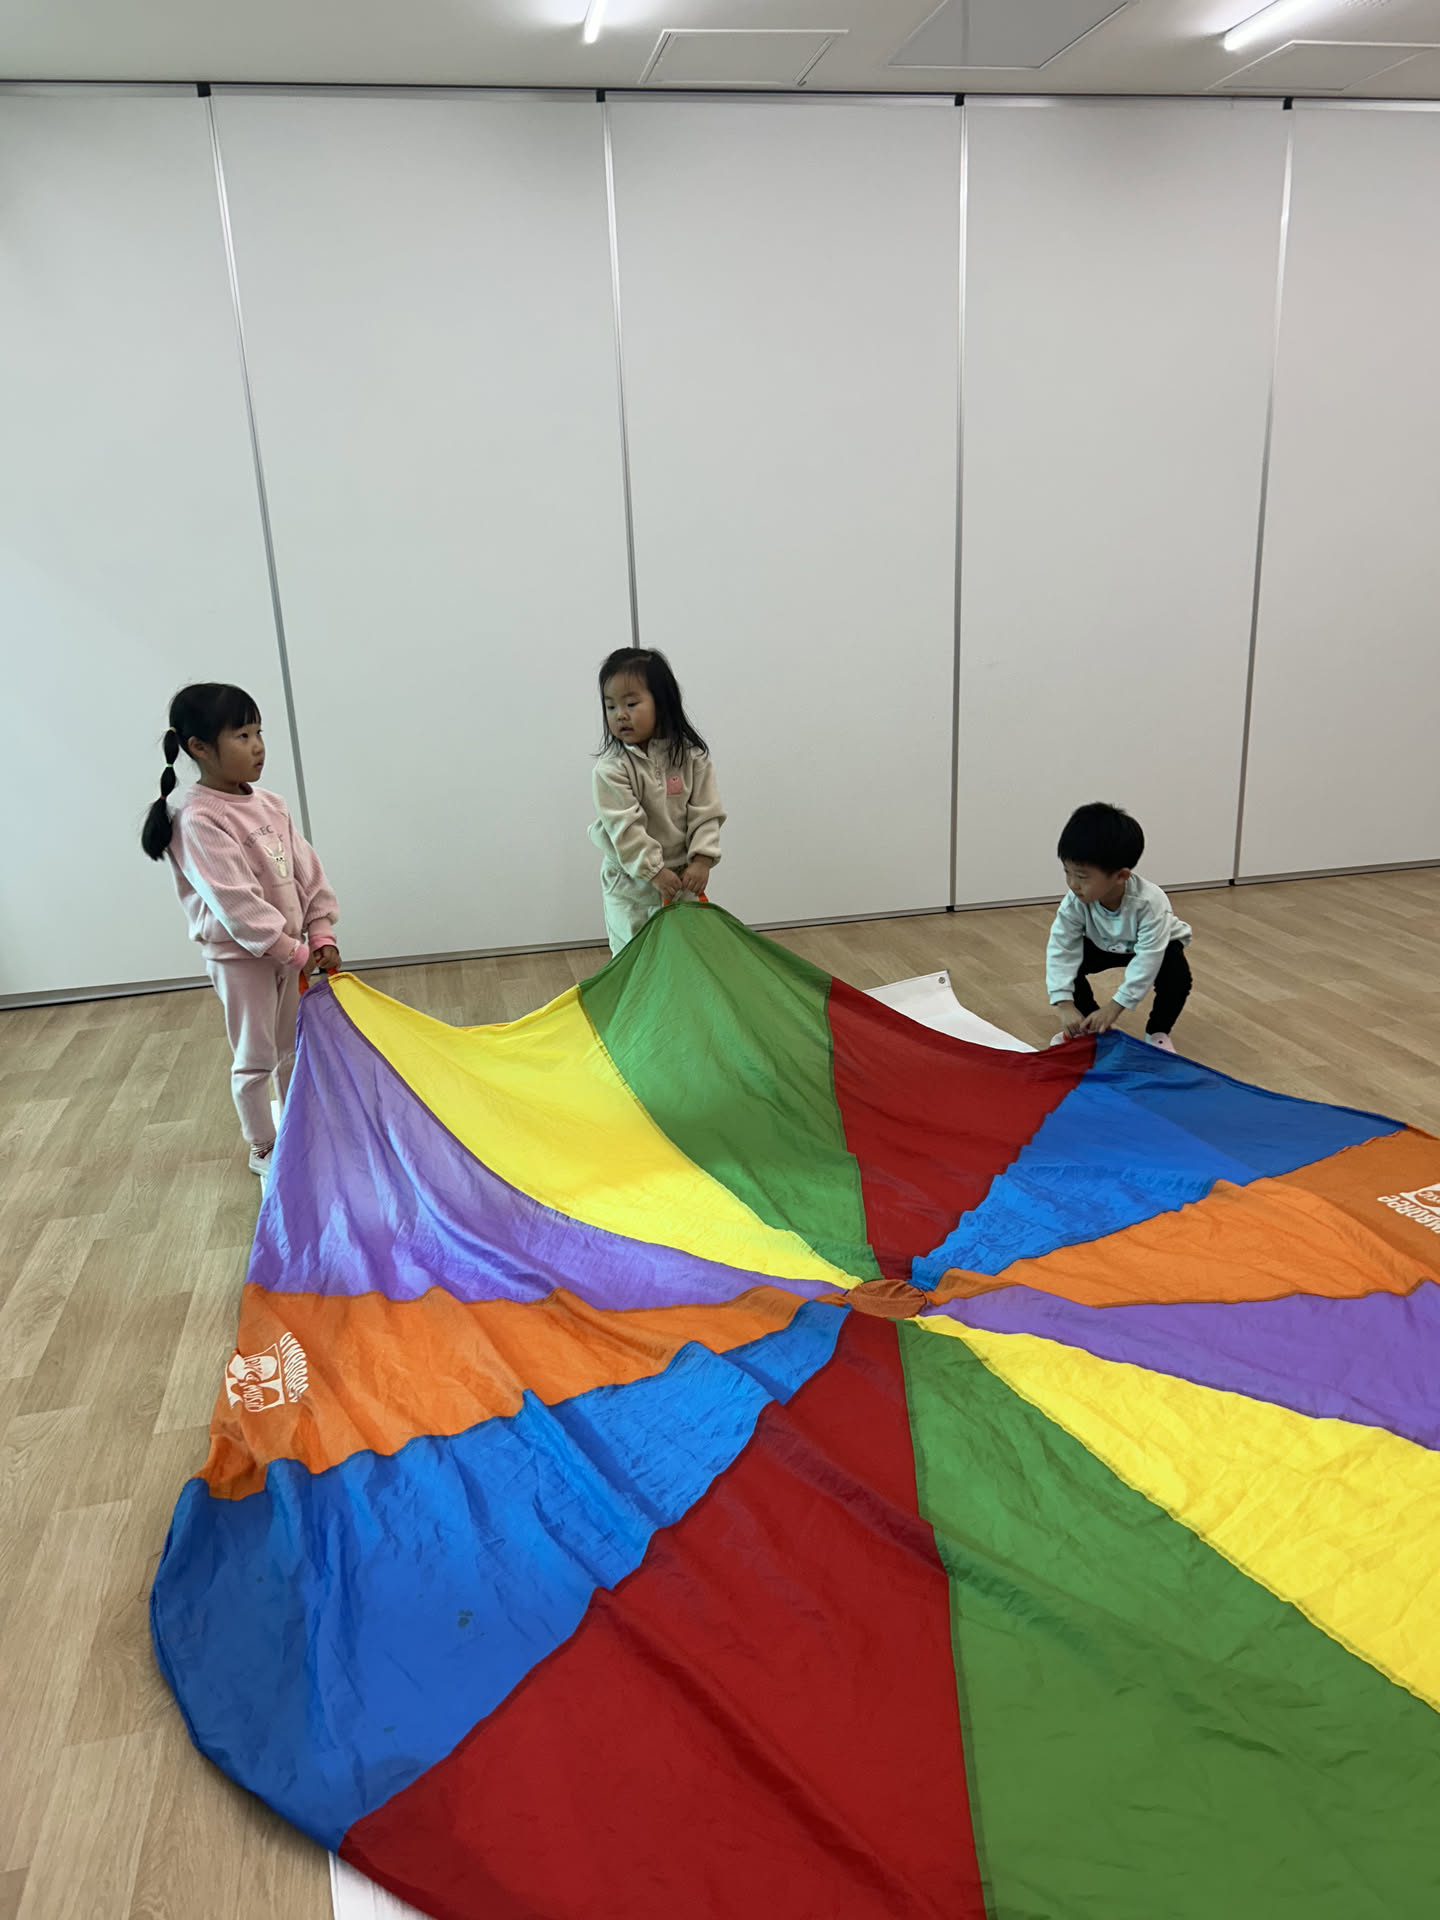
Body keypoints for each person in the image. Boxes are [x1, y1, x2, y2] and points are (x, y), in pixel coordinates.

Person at [140, 683, 340, 1184]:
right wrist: (295, 950)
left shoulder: (271, 804)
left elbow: (306, 871)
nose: (257, 747)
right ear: (199, 748)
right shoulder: (199, 819)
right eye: (242, 736)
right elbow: (237, 906)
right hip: (241, 960)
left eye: (258, 733)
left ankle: (296, 1125)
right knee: (256, 1056)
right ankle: (263, 1143)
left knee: (291, 1046)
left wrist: (320, 933)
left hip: (289, 954)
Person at [589, 647, 725, 955]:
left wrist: (702, 860)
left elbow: (707, 813)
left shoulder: (692, 758)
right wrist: (653, 871)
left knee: (687, 952)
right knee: (635, 954)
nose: (620, 714)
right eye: (610, 706)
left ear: (662, 704)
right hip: (632, 884)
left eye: (631, 704)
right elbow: (625, 828)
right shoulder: (611, 769)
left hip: (682, 877)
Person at [1046, 802, 1192, 1052]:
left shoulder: (1150, 902)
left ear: (1121, 876)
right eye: (1067, 872)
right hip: (1103, 944)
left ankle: (1158, 1032)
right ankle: (1090, 1025)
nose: (1072, 884)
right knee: (1073, 963)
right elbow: (1061, 950)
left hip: (1156, 947)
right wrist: (1065, 1004)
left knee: (1177, 975)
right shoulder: (1074, 902)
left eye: (1082, 876)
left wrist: (1114, 1007)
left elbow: (1148, 959)